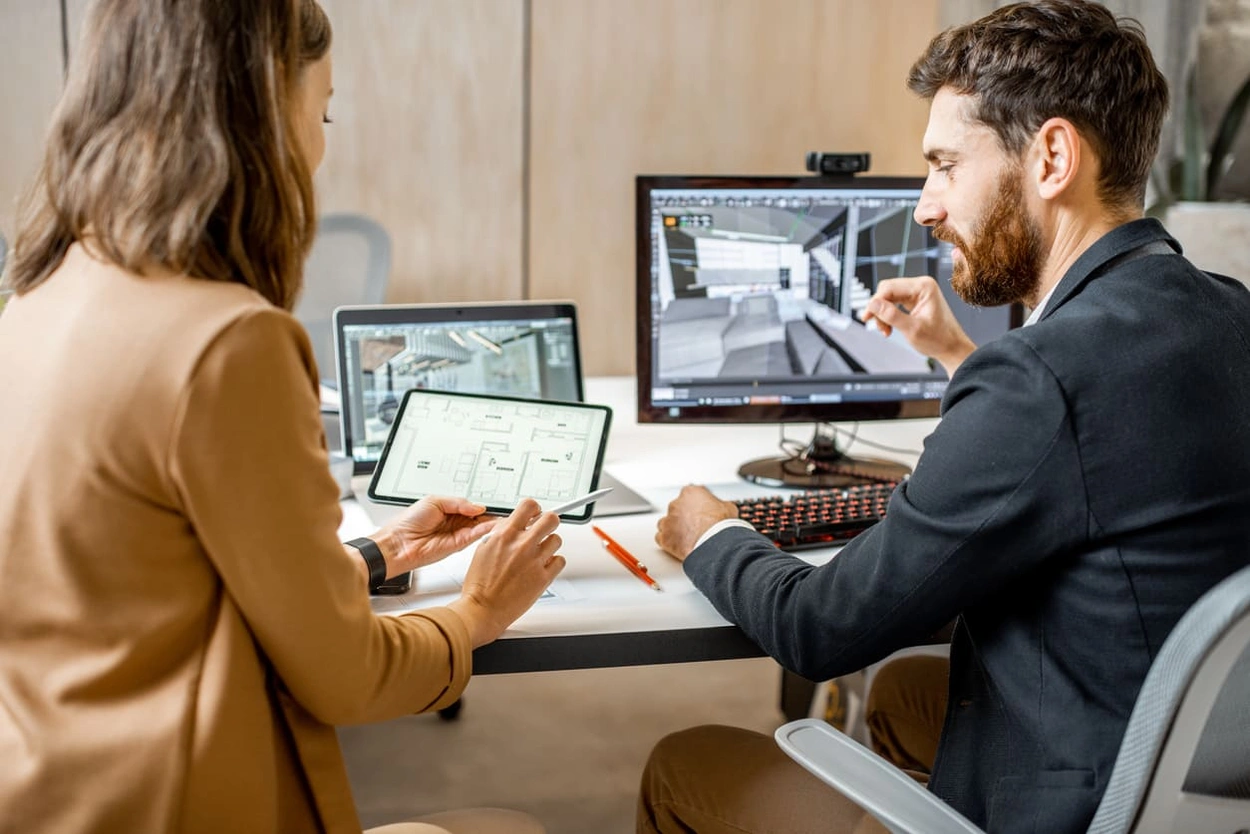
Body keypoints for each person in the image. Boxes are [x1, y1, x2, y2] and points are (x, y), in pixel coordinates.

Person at [636, 2, 1250, 833]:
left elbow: (820, 629)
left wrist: (712, 533)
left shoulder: (1040, 381)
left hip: (1080, 803)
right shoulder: (1224, 313)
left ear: (1052, 157)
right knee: (902, 696)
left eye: (944, 165)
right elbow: (1098, 447)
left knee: (686, 763)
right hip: (1181, 765)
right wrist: (967, 360)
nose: (926, 206)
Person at [0, 2, 560, 832]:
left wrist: (376, 554)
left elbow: (163, 579)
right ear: (261, 113)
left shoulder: (39, 297)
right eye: (322, 108)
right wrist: (477, 612)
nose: (322, 146)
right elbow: (346, 677)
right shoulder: (230, 343)